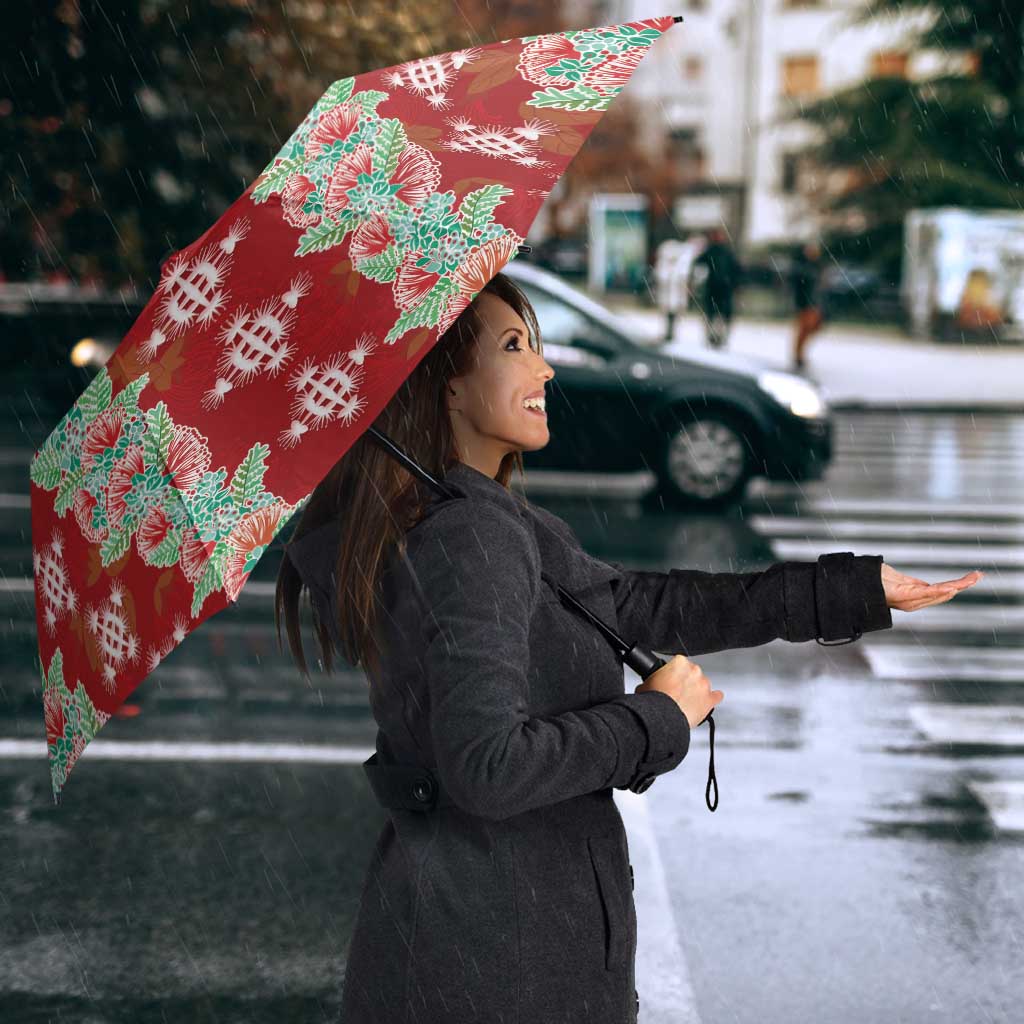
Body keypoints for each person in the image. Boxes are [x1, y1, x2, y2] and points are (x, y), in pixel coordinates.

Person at [275, 271, 973, 1024]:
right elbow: (488, 768)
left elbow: (639, 605)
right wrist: (656, 719)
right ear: (445, 385)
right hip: (497, 963)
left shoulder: (473, 518)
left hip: (476, 944)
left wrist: (851, 592)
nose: (544, 368)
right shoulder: (468, 537)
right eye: (515, 346)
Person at [692, 226, 742, 349]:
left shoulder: (725, 252)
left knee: (720, 315)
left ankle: (719, 337)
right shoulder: (712, 251)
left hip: (723, 288)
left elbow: (736, 270)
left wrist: (735, 284)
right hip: (715, 288)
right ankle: (713, 337)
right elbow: (698, 264)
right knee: (713, 314)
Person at [790, 239, 826, 371]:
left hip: (814, 303)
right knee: (804, 329)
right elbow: (799, 286)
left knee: (812, 328)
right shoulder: (802, 267)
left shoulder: (817, 266)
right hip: (805, 303)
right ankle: (798, 355)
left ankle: (800, 354)